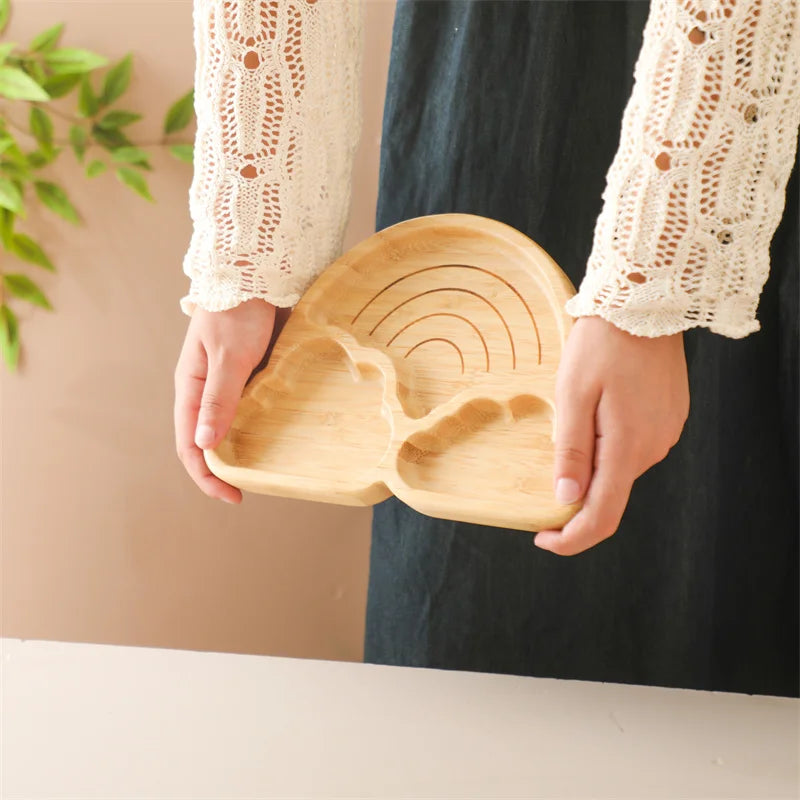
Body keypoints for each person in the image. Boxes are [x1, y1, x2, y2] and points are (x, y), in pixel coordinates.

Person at [174, 0, 800, 697]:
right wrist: (252, 242)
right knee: (468, 679)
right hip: (507, 79)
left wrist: (653, 277)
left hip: (748, 74)